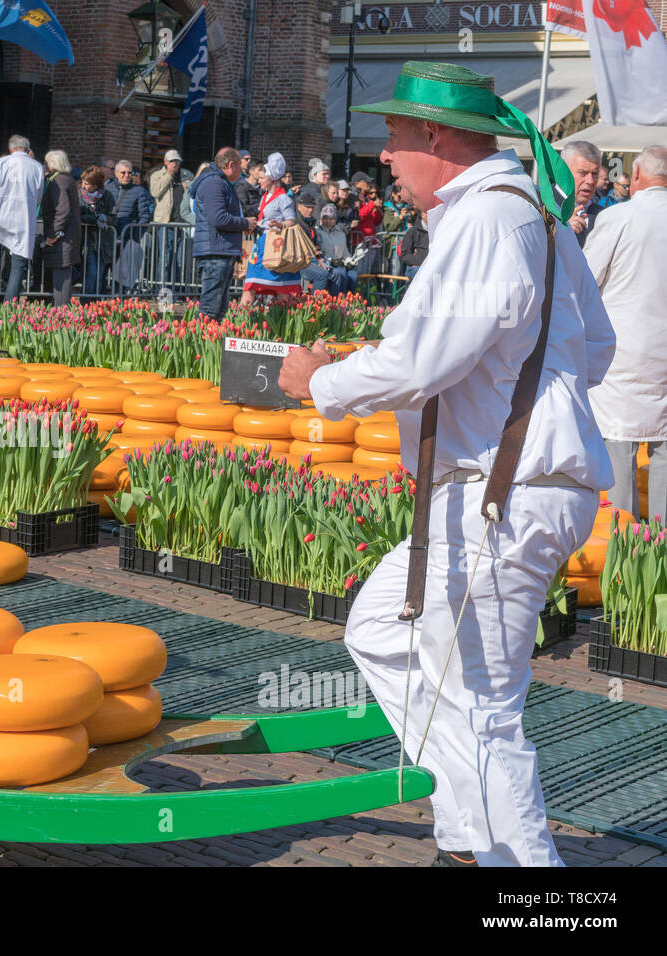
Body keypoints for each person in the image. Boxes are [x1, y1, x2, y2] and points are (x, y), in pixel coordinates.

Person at [280, 61, 615, 868]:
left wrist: (318, 382)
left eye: (393, 138)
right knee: (381, 631)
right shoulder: (529, 214)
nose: (385, 157)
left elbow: (423, 362)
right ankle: (469, 837)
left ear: (434, 136)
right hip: (507, 489)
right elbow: (594, 348)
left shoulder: (487, 220)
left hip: (499, 497)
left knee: (485, 709)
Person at [584, 145, 667, 520]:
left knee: (619, 449)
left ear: (635, 176)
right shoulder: (621, 217)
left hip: (625, 355)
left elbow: (586, 283)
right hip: (654, 354)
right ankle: (659, 549)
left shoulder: (619, 218)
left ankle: (623, 547)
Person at [0, 134, 45, 302]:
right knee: (18, 265)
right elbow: (38, 197)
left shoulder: (1, 163)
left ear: (10, 149)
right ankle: (8, 306)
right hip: (24, 220)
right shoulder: (37, 167)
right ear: (27, 149)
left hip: (2, 214)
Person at [190, 147, 253, 321]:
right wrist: (244, 223)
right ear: (231, 164)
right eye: (240, 167)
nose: (241, 172)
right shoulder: (214, 183)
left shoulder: (220, 182)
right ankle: (198, 343)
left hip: (220, 250)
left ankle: (208, 343)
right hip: (215, 252)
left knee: (219, 308)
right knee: (210, 309)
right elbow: (218, 218)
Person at [240, 152, 302, 303]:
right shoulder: (265, 197)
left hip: (276, 245)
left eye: (262, 178)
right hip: (262, 244)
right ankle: (240, 319)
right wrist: (253, 224)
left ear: (272, 179)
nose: (259, 181)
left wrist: (280, 225)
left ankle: (284, 322)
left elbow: (291, 221)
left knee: (282, 290)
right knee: (250, 285)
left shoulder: (283, 199)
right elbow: (264, 219)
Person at [106, 159, 154, 295]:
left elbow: (144, 216)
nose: (127, 175)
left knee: (122, 274)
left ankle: (119, 300)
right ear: (116, 173)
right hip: (108, 236)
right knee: (102, 270)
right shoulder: (107, 188)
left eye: (129, 173)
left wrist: (135, 234)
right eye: (123, 172)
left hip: (127, 238)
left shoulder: (139, 191)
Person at [41, 149, 80, 306]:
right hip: (67, 235)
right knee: (61, 277)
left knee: (61, 277)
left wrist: (53, 233)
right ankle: (61, 312)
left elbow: (62, 210)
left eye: (46, 162)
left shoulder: (60, 180)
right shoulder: (66, 179)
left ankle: (61, 314)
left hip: (63, 237)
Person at [149, 148, 191, 295]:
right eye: (172, 161)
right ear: (165, 162)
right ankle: (162, 291)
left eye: (177, 161)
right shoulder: (157, 175)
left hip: (182, 223)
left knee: (181, 259)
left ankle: (178, 291)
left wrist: (188, 187)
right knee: (164, 258)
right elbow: (155, 192)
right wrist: (169, 175)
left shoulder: (185, 176)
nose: (175, 164)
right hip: (165, 223)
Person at [78, 166, 115, 296]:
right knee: (91, 272)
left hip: (104, 242)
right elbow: (77, 215)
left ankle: (96, 302)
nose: (83, 185)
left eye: (86, 183)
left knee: (100, 273)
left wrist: (107, 218)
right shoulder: (79, 196)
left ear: (95, 185)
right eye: (82, 182)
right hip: (87, 240)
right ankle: (86, 301)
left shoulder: (107, 196)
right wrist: (94, 219)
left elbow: (114, 216)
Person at [561, 140, 601, 248]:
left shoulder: (603, 216)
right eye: (583, 173)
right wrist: (559, 230)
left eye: (595, 174)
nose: (590, 181)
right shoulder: (538, 205)